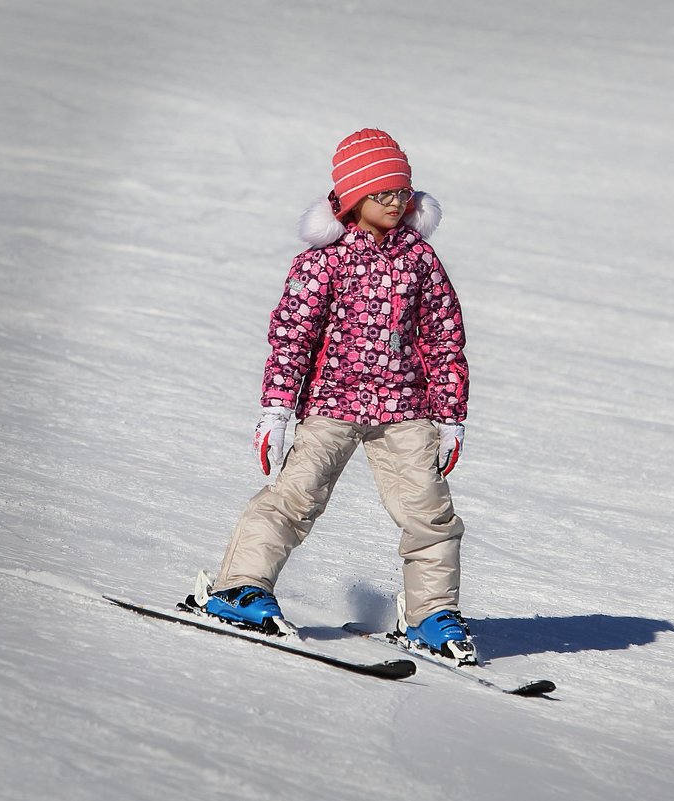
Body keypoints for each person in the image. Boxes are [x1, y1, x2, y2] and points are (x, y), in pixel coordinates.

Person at [200, 129, 473, 663]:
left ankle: (431, 615)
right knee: (295, 498)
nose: (396, 203)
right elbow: (292, 337)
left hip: (406, 410)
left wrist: (451, 416)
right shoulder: (323, 261)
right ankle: (240, 588)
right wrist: (276, 408)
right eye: (382, 194)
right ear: (353, 200)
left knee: (430, 514)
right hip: (331, 405)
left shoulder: (420, 259)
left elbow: (443, 337)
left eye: (403, 192)